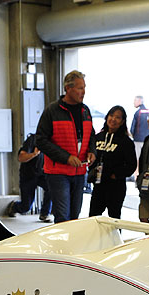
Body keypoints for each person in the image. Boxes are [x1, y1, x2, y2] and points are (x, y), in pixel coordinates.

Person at [35, 70, 95, 223]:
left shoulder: (85, 111)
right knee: (63, 216)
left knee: (75, 217)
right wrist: (66, 157)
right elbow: (41, 140)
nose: (84, 92)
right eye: (80, 88)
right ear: (68, 88)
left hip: (80, 171)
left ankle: (72, 246)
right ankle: (62, 247)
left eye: (84, 87)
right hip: (58, 172)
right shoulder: (52, 111)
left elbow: (91, 135)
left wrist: (92, 151)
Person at [88, 105, 137, 219]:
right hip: (98, 185)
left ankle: (115, 237)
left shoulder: (126, 142)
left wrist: (116, 175)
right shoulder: (98, 137)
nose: (113, 119)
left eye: (118, 117)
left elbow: (131, 165)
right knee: (93, 218)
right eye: (111, 116)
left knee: (114, 218)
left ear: (122, 121)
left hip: (116, 187)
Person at [7, 133, 52, 222]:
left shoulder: (51, 141)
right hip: (28, 175)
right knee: (26, 207)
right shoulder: (32, 140)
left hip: (42, 174)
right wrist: (34, 154)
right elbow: (21, 157)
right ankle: (15, 207)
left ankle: (45, 214)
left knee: (51, 187)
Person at [130, 96, 149, 161]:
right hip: (147, 139)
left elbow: (132, 128)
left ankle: (137, 171)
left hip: (138, 139)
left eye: (135, 100)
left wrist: (132, 135)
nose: (133, 102)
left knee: (138, 156)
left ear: (139, 101)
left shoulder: (137, 113)